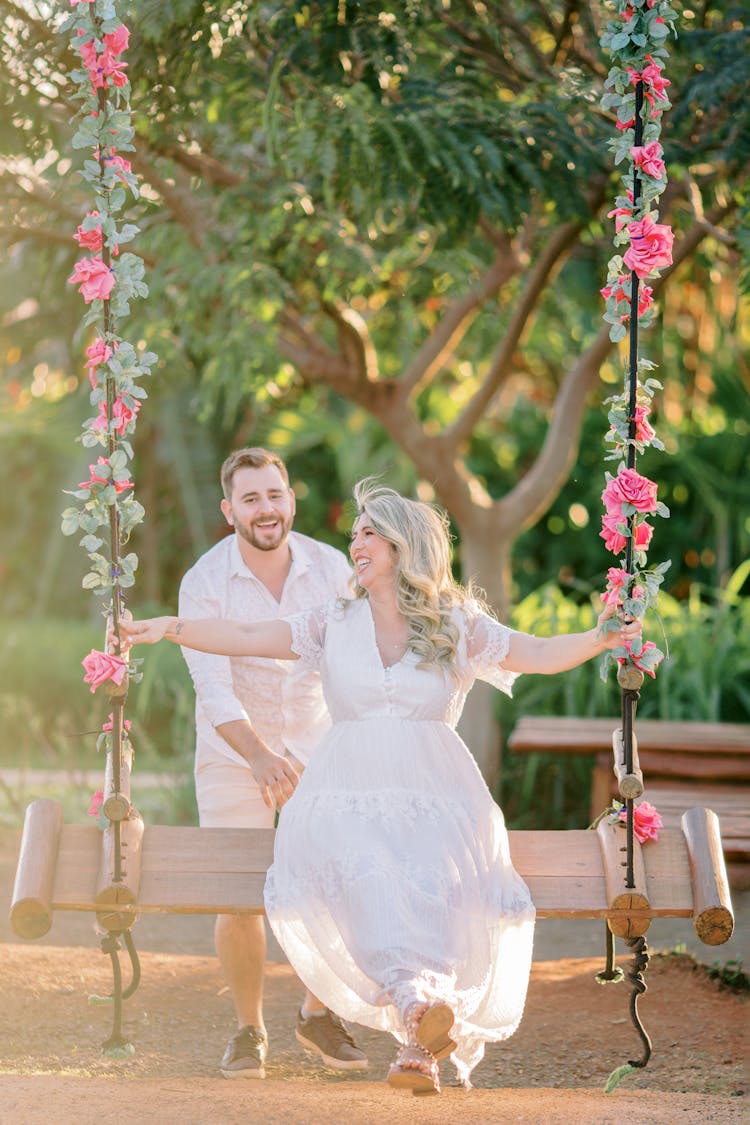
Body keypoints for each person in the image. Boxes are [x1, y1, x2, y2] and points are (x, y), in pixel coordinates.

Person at [122, 479, 643, 1095]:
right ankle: (417, 1019)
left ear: (403, 545)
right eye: (355, 534)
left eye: (369, 533)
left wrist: (600, 638)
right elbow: (243, 637)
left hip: (437, 792)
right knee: (363, 865)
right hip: (344, 792)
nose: (356, 544)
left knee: (437, 880)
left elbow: (535, 651)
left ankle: (417, 1031)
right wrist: (171, 627)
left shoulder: (455, 623)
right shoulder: (330, 621)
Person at [176, 447, 367, 1079]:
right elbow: (213, 686)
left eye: (275, 495)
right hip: (236, 752)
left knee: (336, 878)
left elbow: (352, 659)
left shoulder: (332, 567)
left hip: (317, 744)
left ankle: (317, 1012)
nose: (266, 509)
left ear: (292, 500)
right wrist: (258, 756)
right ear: (229, 510)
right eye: (251, 499)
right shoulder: (204, 581)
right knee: (239, 899)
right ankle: (248, 1029)